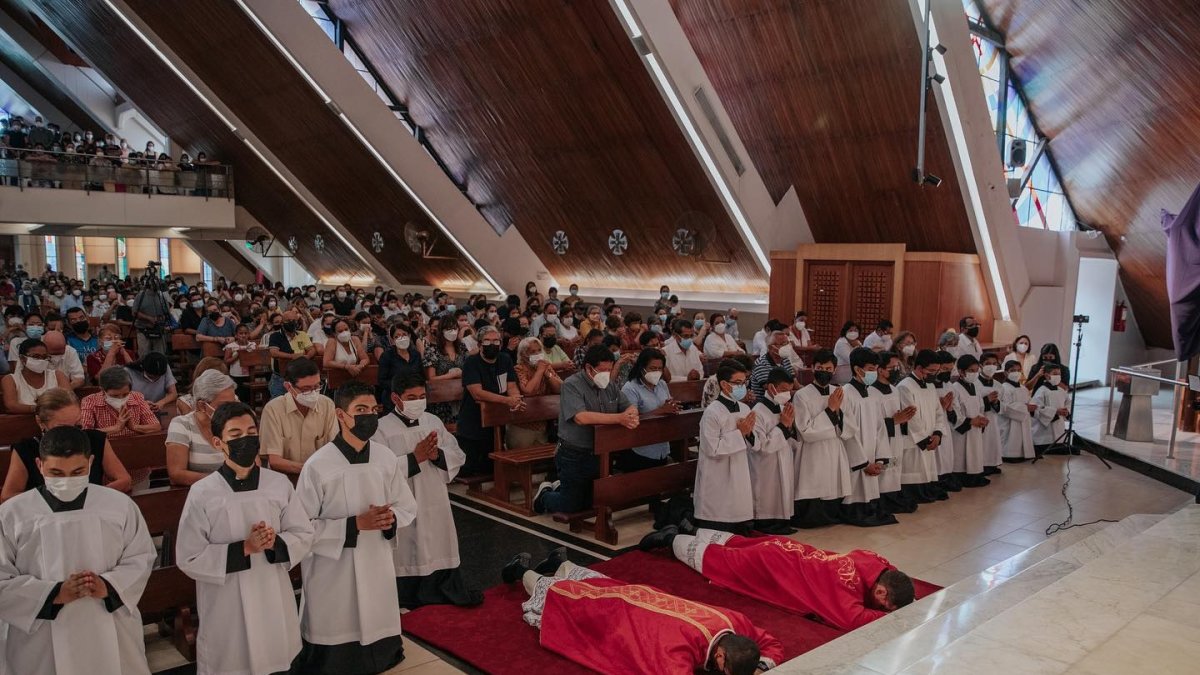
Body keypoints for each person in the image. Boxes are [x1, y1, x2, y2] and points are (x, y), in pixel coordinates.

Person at [0, 426, 156, 675]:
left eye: (77, 471)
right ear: (39, 465)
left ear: (91, 462)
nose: (66, 481)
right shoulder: (13, 513)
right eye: (56, 472)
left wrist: (109, 585)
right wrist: (53, 594)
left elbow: (141, 557)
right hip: (42, 634)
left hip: (108, 619)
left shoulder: (118, 505)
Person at [176, 402, 314, 675]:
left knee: (277, 654)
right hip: (227, 598)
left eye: (251, 432)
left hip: (271, 590)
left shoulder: (278, 484)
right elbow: (189, 557)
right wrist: (246, 547)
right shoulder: (203, 493)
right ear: (218, 442)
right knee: (232, 658)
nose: (246, 440)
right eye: (236, 435)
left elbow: (303, 533)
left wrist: (275, 542)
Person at [294, 382, 417, 675]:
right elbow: (300, 528)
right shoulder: (317, 466)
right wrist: (354, 525)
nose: (368, 417)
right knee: (339, 615)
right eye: (360, 410)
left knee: (376, 609)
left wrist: (391, 520)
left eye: (373, 410)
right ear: (341, 414)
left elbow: (406, 505)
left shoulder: (385, 458)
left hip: (376, 556)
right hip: (333, 567)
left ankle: (381, 653)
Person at [501, 552, 781, 675]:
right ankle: (519, 572)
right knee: (564, 600)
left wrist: (757, 667)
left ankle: (562, 562)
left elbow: (769, 645)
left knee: (601, 583)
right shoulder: (679, 652)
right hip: (617, 619)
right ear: (720, 655)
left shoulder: (734, 622)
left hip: (641, 597)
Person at [639, 527, 914, 632]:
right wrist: (899, 616)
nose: (882, 610)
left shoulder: (874, 560)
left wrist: (903, 598)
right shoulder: (847, 592)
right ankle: (671, 538)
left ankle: (692, 528)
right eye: (885, 606)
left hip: (788, 550)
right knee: (722, 563)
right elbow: (853, 620)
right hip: (774, 569)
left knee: (741, 544)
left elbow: (894, 573)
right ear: (879, 594)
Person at [374, 372, 481, 609]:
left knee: (437, 538)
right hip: (403, 498)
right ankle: (410, 594)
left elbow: (455, 453)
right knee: (408, 542)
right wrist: (415, 458)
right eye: (411, 397)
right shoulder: (380, 429)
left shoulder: (432, 421)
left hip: (434, 494)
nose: (418, 402)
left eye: (421, 396)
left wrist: (436, 455)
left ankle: (443, 587)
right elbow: (377, 472)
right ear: (395, 398)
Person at [534, 345, 637, 515]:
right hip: (574, 452)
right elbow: (581, 417)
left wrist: (631, 414)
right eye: (602, 370)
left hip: (600, 451)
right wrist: (619, 418)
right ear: (589, 367)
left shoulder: (609, 385)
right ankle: (545, 496)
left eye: (610, 369)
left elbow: (628, 406)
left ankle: (562, 487)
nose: (607, 374)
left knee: (593, 501)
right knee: (571, 506)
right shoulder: (571, 385)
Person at [1, 388, 131, 502]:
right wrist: (54, 500)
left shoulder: (95, 439)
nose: (72, 434)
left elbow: (124, 480)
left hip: (87, 512)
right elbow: (8, 496)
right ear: (41, 422)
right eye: (62, 428)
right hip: (44, 517)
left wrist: (92, 496)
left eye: (77, 426)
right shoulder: (26, 449)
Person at [694, 360, 757, 534]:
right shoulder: (712, 412)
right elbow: (712, 449)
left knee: (739, 510)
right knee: (719, 518)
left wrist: (749, 434)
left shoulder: (744, 408)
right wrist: (740, 433)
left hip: (739, 468)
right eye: (737, 383)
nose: (742, 387)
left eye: (744, 382)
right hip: (717, 473)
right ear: (723, 384)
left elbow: (753, 441)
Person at [838, 348, 898, 526]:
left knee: (871, 496)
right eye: (871, 368)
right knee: (855, 493)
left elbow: (880, 428)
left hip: (872, 454)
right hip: (855, 460)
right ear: (857, 369)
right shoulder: (845, 393)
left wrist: (879, 460)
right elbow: (847, 432)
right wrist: (863, 463)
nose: (874, 372)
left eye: (876, 368)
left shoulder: (873, 393)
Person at [791, 349, 851, 528]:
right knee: (814, 480)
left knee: (832, 481)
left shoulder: (839, 392)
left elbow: (850, 425)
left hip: (834, 447)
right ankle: (810, 518)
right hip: (813, 451)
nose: (824, 371)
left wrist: (837, 414)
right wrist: (831, 410)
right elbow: (805, 430)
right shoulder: (802, 395)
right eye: (820, 367)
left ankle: (832, 515)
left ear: (834, 370)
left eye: (828, 368)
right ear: (812, 368)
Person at [455, 326, 523, 476]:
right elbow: (477, 393)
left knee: (491, 467)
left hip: (497, 420)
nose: (492, 344)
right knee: (471, 470)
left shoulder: (505, 359)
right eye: (487, 341)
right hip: (473, 423)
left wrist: (515, 399)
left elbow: (511, 385)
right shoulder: (472, 363)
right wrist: (507, 400)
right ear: (479, 345)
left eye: (496, 341)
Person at [259, 357, 338, 476]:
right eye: (306, 389)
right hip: (285, 480)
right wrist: (310, 471)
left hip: (321, 477)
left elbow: (334, 450)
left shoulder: (327, 405)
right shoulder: (273, 410)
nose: (313, 393)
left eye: (317, 387)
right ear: (288, 387)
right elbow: (275, 461)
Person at [165, 370, 238, 485]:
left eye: (233, 403)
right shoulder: (182, 424)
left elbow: (255, 464)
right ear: (202, 405)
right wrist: (221, 481)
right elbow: (176, 473)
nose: (230, 410)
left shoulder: (237, 423)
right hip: (200, 494)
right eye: (224, 405)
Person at [749, 368, 797, 535]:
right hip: (765, 465)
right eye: (784, 390)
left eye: (789, 390)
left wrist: (789, 426)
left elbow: (790, 438)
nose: (787, 394)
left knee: (783, 491)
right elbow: (762, 447)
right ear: (771, 388)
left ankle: (783, 521)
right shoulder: (758, 412)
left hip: (784, 457)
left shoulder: (784, 407)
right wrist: (783, 426)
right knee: (768, 493)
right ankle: (767, 523)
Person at [897, 350, 949, 504]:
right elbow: (910, 417)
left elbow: (938, 412)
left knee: (927, 471)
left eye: (937, 371)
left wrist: (937, 434)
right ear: (919, 368)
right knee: (913, 469)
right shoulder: (905, 386)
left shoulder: (930, 386)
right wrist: (925, 439)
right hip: (915, 441)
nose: (935, 374)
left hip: (930, 437)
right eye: (932, 371)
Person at [617, 348, 680, 472]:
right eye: (652, 368)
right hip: (639, 449)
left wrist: (672, 407)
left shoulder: (662, 384)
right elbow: (630, 420)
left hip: (662, 445)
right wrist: (660, 410)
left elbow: (667, 406)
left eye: (659, 368)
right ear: (642, 368)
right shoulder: (630, 388)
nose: (657, 372)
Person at [872, 352, 918, 514]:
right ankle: (881, 499)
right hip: (881, 442)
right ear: (880, 370)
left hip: (896, 438)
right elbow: (870, 424)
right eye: (893, 368)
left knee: (894, 468)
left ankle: (892, 495)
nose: (897, 371)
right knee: (884, 470)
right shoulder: (871, 392)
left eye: (898, 367)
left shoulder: (894, 389)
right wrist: (893, 421)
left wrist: (906, 416)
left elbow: (897, 415)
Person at [510, 336, 562, 449]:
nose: (538, 354)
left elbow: (560, 388)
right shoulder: (519, 369)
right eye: (533, 351)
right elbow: (528, 392)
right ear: (524, 354)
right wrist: (539, 371)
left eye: (539, 350)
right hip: (523, 424)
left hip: (543, 423)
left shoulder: (545, 366)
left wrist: (547, 374)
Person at [80, 367, 161, 437]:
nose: (121, 398)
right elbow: (85, 434)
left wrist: (134, 427)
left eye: (125, 394)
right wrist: (116, 428)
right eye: (115, 396)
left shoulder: (137, 397)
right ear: (102, 390)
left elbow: (156, 426)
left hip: (135, 447)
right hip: (106, 450)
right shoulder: (89, 401)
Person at [948, 355, 991, 488]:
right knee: (961, 456)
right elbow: (953, 412)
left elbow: (980, 406)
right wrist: (970, 421)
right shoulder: (954, 388)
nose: (974, 374)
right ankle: (960, 476)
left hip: (975, 428)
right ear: (961, 371)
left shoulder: (974, 387)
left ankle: (975, 475)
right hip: (962, 430)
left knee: (974, 453)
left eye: (976, 370)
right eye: (971, 371)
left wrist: (982, 418)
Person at [1, 338, 71, 413]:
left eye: (44, 357)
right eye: (36, 356)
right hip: (23, 422)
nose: (41, 360)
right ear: (22, 358)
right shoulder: (10, 379)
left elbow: (69, 399)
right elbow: (12, 405)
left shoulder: (58, 375)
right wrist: (37, 409)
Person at [423, 315, 467, 425]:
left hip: (461, 395)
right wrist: (450, 375)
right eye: (448, 329)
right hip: (440, 400)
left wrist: (462, 374)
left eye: (455, 328)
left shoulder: (461, 347)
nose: (452, 332)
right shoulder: (432, 350)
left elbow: (469, 369)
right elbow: (431, 379)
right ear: (441, 331)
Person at [267, 310, 316, 399]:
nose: (292, 323)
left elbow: (311, 349)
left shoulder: (302, 334)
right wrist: (292, 356)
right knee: (279, 405)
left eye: (294, 320)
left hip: (300, 376)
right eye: (288, 321)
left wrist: (307, 357)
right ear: (282, 323)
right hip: (281, 378)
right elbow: (273, 353)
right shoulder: (275, 336)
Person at [376, 322, 423, 406]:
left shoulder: (416, 355)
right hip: (394, 398)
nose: (401, 338)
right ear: (392, 340)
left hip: (415, 396)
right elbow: (382, 381)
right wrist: (401, 386)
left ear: (409, 336)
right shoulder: (387, 356)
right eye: (397, 336)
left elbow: (421, 376)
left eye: (404, 335)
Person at [999, 359, 1037, 462]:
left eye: (1018, 370)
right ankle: (1009, 455)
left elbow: (1028, 401)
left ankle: (1023, 453)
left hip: (1024, 419)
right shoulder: (1003, 388)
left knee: (1023, 435)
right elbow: (1005, 407)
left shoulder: (1023, 388)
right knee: (1012, 437)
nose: (1016, 373)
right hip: (1009, 422)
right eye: (1012, 370)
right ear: (1006, 372)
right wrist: (1025, 408)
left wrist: (1031, 406)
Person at [1031, 363, 1072, 456]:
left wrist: (1066, 411)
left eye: (1059, 374)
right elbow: (1035, 408)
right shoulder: (1042, 390)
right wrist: (1055, 411)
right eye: (1055, 374)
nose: (1057, 376)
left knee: (1061, 446)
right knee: (1045, 448)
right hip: (1043, 432)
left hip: (1059, 427)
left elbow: (1068, 402)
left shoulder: (1061, 390)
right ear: (1046, 375)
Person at [977, 352, 1003, 475]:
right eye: (988, 364)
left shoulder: (998, 385)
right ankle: (981, 465)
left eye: (994, 364)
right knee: (981, 442)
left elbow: (1003, 405)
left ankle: (992, 463)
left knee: (992, 440)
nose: (991, 366)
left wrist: (997, 403)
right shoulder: (975, 383)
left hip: (993, 418)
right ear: (981, 365)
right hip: (980, 418)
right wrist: (986, 401)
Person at [749, 329, 795, 399]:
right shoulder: (761, 364)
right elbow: (775, 391)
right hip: (765, 403)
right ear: (770, 347)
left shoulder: (785, 360)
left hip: (783, 401)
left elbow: (794, 383)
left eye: (787, 343)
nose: (786, 347)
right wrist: (800, 393)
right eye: (782, 344)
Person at [663, 318, 703, 382]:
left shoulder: (693, 349)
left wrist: (697, 376)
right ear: (676, 335)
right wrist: (686, 379)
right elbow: (667, 378)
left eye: (691, 336)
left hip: (694, 386)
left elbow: (701, 371)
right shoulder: (666, 352)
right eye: (686, 336)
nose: (689, 339)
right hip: (675, 389)